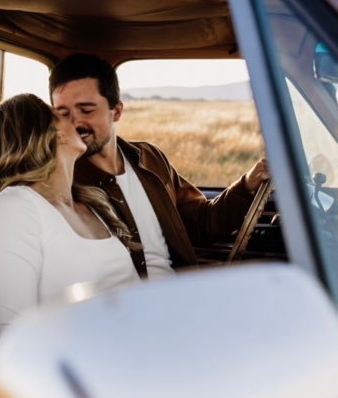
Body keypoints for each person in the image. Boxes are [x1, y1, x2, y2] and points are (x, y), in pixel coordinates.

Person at [49, 53, 269, 279]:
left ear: (116, 111)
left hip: (179, 291)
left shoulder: (150, 157)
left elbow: (201, 223)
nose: (74, 123)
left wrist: (246, 185)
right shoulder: (59, 180)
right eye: (63, 113)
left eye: (87, 110)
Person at [0, 93, 140, 334]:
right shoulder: (14, 208)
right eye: (62, 115)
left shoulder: (90, 204)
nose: (75, 121)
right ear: (53, 133)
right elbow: (16, 333)